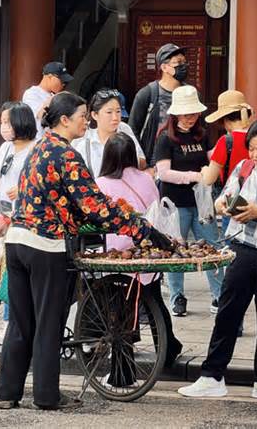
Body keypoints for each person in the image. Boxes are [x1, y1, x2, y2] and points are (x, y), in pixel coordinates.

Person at [0, 91, 168, 411]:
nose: (85, 121)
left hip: (17, 242)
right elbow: (95, 206)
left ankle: (7, 393)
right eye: (81, 116)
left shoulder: (39, 148)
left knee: (21, 323)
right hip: (45, 245)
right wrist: (142, 229)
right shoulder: (66, 154)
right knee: (48, 322)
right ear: (64, 120)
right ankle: (46, 396)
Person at [177, 119, 257, 401]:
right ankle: (212, 376)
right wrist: (224, 206)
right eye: (253, 149)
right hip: (241, 249)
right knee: (228, 313)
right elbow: (224, 200)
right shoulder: (243, 169)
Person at [95, 132, 183, 369]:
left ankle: (123, 370)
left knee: (120, 311)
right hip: (147, 250)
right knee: (154, 298)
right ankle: (167, 349)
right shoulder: (146, 179)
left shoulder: (101, 183)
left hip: (117, 255)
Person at [155, 85, 222, 317]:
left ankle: (218, 296)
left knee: (213, 248)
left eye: (194, 113)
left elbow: (214, 160)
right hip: (175, 203)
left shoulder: (204, 134)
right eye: (186, 113)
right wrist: (194, 176)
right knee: (176, 250)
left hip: (202, 203)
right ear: (176, 113)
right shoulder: (165, 138)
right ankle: (177, 297)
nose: (190, 117)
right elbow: (163, 172)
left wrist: (212, 171)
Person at [0, 102, 37, 346]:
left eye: (8, 122)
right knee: (4, 271)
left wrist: (23, 190)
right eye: (2, 123)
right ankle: (9, 320)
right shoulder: (5, 149)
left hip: (22, 219)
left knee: (13, 272)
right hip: (2, 215)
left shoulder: (35, 150)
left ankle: (10, 322)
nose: (4, 127)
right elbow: (0, 179)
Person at [130, 43, 187, 166]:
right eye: (178, 62)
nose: (184, 66)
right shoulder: (147, 94)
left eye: (184, 62)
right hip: (154, 164)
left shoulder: (191, 94)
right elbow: (132, 131)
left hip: (184, 163)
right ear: (164, 67)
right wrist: (142, 162)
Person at [72, 88, 146, 176]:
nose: (115, 117)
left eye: (118, 111)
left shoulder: (124, 128)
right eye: (109, 112)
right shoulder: (85, 134)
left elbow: (141, 161)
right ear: (95, 115)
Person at [201, 89, 253, 188]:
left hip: (231, 198)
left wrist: (204, 170)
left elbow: (209, 179)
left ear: (225, 120)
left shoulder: (226, 141)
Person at [22, 61, 73, 139]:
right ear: (50, 77)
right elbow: (40, 115)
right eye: (62, 81)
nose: (63, 84)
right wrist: (59, 96)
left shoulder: (53, 95)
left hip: (53, 141)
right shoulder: (32, 93)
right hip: (37, 141)